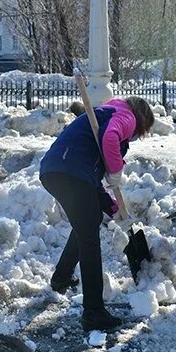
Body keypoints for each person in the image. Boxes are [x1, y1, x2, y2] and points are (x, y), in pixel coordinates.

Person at [40, 96, 155, 331]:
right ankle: (93, 311)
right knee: (89, 236)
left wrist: (115, 210)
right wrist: (115, 170)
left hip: (55, 170)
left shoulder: (104, 113)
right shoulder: (126, 115)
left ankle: (62, 276)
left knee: (87, 223)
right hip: (70, 171)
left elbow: (92, 181)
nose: (134, 136)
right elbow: (111, 137)